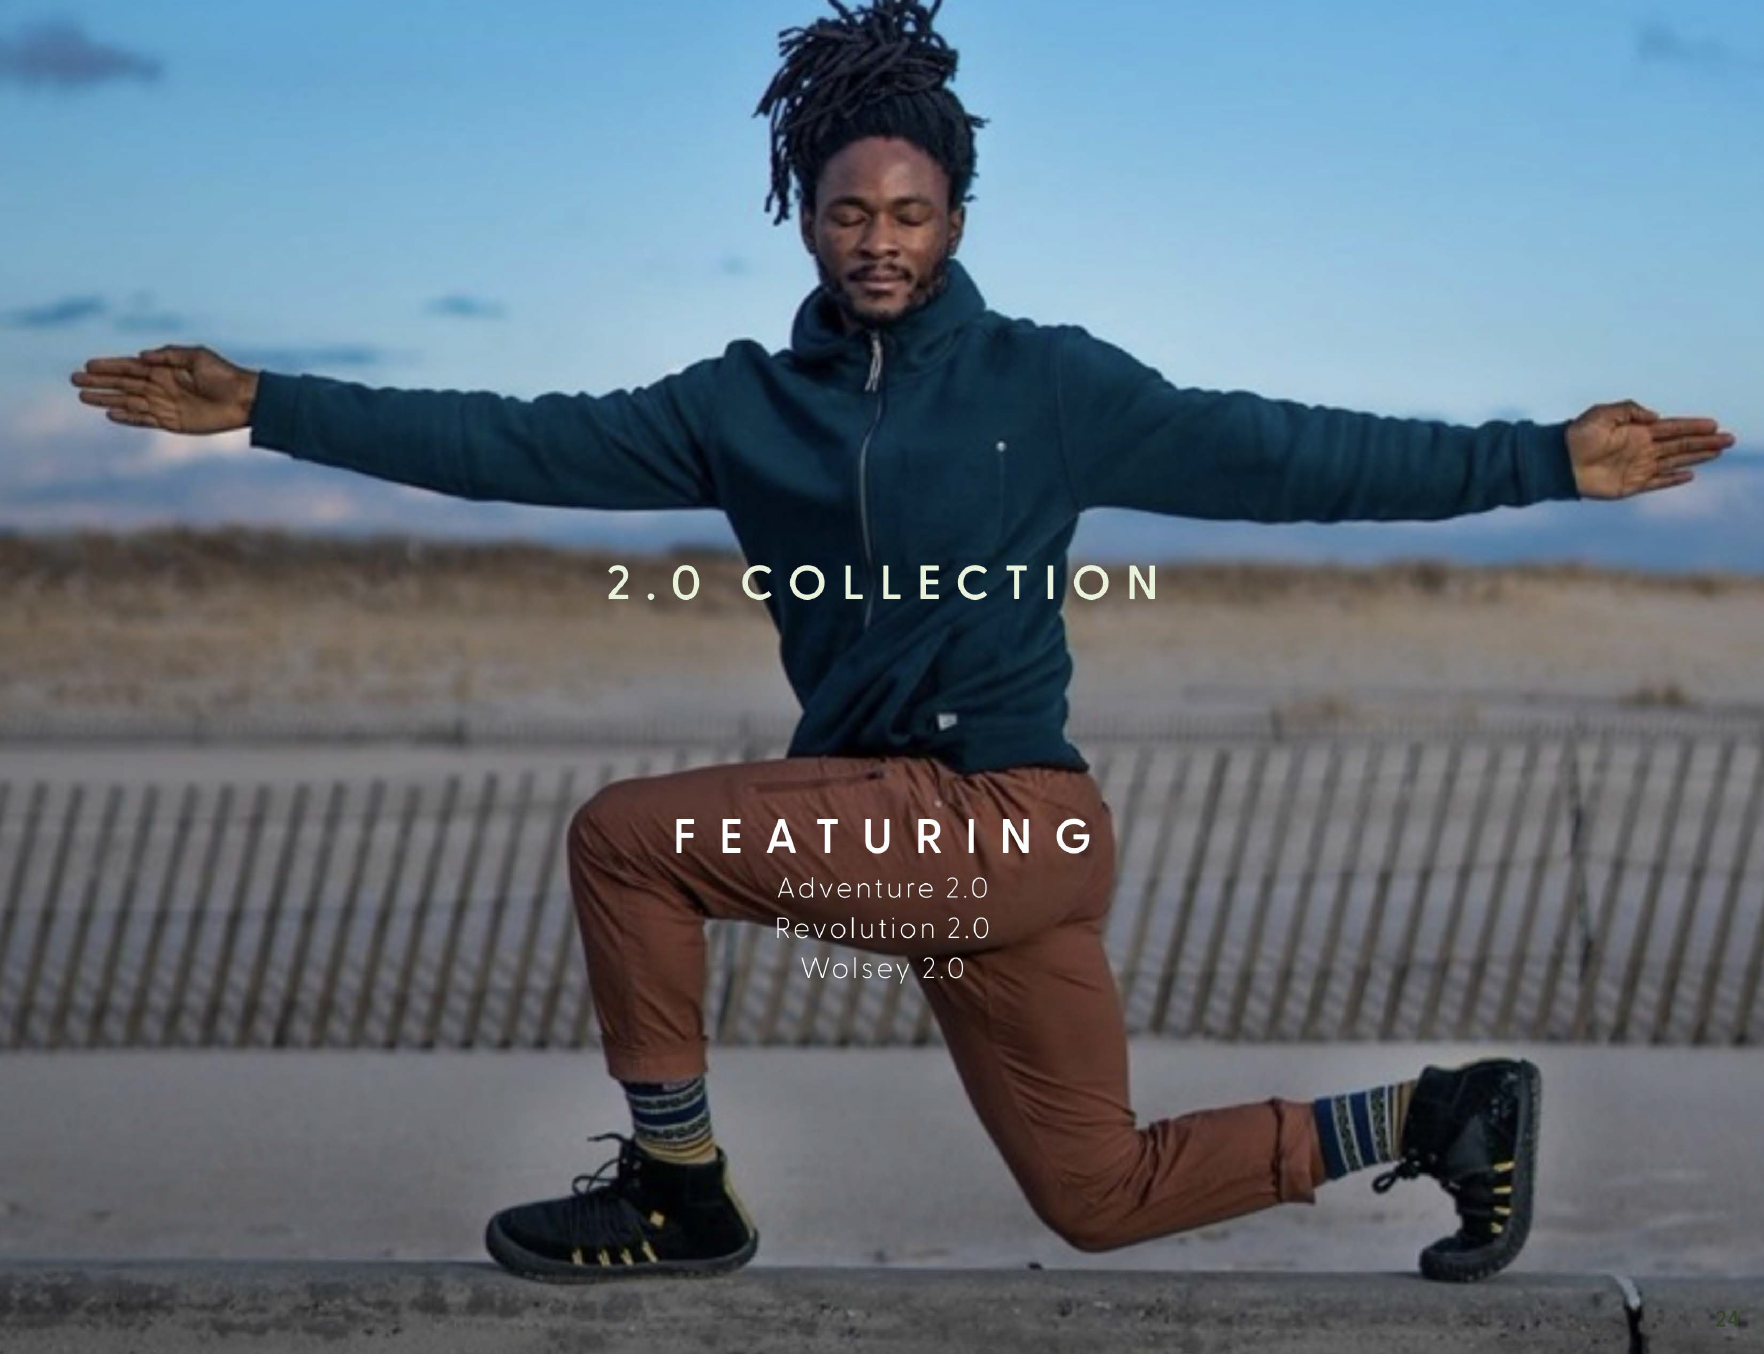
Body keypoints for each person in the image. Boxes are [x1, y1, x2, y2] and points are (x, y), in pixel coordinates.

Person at [71, 0, 1733, 1287]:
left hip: (1011, 823)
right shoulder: (740, 410)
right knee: (1099, 1191)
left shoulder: (1049, 387)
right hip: (918, 841)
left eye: (915, 209)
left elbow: (1294, 456)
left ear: (958, 215)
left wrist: (1536, 458)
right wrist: (272, 408)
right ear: (802, 213)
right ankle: (1437, 1117)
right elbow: (516, 437)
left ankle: (676, 1189)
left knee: (627, 845)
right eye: (850, 207)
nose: (882, 237)